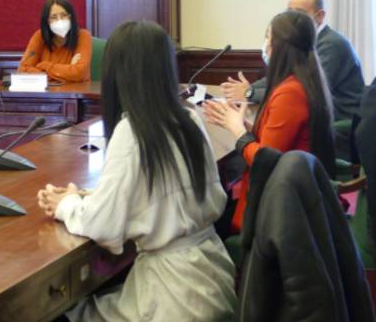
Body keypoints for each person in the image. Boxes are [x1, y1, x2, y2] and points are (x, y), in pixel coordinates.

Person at [37, 21, 236, 321]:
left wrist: (67, 205)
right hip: (212, 278)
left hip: (171, 296)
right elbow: (165, 193)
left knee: (61, 314)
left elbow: (103, 226)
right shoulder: (189, 119)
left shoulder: (132, 131)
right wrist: (90, 195)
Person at [205, 10, 336, 233]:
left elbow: (264, 160)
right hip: (293, 193)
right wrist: (240, 123)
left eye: (268, 38)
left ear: (279, 47)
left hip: (281, 209)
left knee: (210, 223)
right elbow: (279, 140)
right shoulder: (303, 80)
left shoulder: (290, 92)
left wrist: (237, 131)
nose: (265, 46)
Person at [222, 0, 364, 121]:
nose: (292, 18)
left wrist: (250, 93)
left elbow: (305, 91)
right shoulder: (303, 41)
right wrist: (244, 89)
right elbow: (283, 78)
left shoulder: (332, 44)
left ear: (320, 16)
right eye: (289, 12)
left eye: (300, 13)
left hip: (336, 122)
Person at [18, 0, 91, 83]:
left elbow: (79, 73)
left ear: (70, 17)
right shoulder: (39, 36)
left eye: (63, 15)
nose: (59, 20)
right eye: (54, 17)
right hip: (47, 92)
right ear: (47, 21)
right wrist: (68, 71)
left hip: (77, 91)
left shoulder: (83, 36)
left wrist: (44, 66)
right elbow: (23, 69)